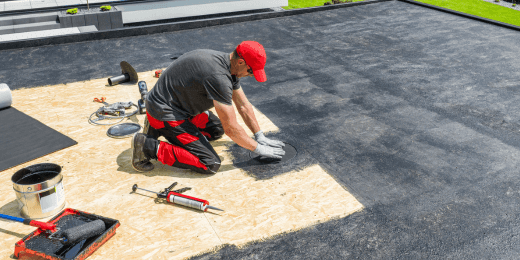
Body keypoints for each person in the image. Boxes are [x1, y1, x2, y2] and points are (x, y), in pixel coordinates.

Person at [131, 41, 285, 174]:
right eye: (251, 71)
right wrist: (257, 148)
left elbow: (243, 106)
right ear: (240, 62)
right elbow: (231, 128)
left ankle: (156, 128)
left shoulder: (227, 66)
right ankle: (147, 146)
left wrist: (259, 136)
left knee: (216, 129)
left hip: (171, 104)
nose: (250, 75)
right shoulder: (218, 77)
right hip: (165, 113)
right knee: (209, 163)